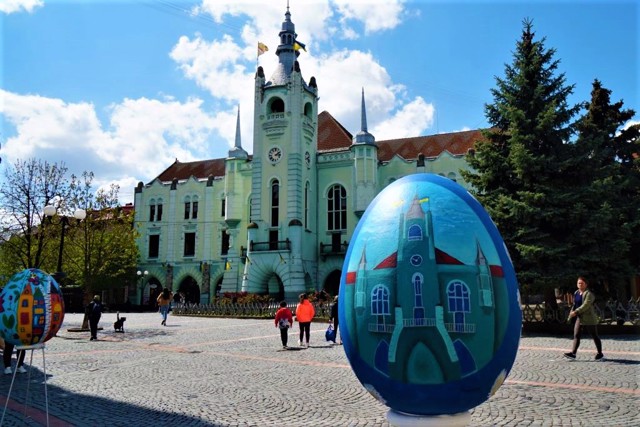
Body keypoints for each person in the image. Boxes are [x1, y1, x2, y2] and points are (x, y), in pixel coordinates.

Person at [564, 276, 604, 361]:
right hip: (580, 317)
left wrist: (576, 312)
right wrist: (570, 316)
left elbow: (586, 305)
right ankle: (573, 354)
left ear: (586, 284)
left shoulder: (589, 294)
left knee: (594, 336)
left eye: (582, 283)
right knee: (576, 335)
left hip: (589, 318)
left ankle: (600, 354)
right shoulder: (576, 293)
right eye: (578, 283)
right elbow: (574, 305)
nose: (580, 285)